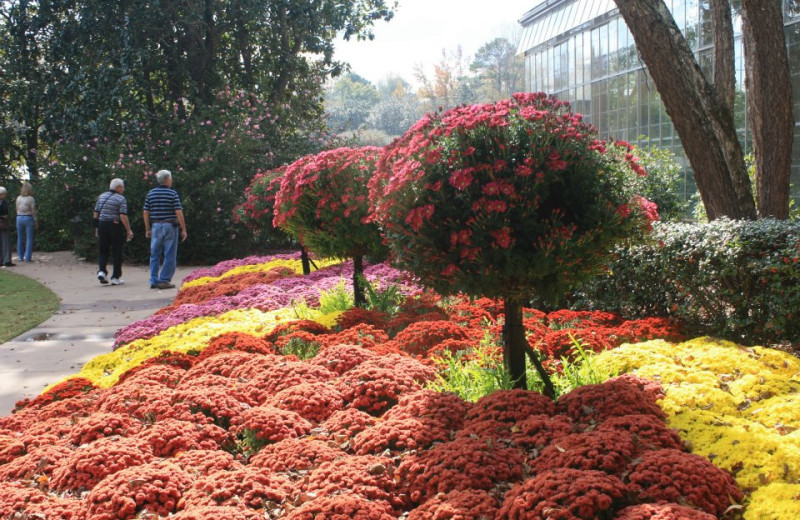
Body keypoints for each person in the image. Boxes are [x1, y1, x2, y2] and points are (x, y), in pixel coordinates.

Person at [143, 169, 187, 289]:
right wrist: (184, 229)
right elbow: (178, 211)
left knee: (155, 254)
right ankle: (164, 280)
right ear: (167, 179)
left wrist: (147, 228)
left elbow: (146, 212)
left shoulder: (151, 193)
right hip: (170, 226)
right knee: (170, 254)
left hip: (156, 225)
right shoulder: (172, 194)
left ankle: (153, 280)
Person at [94, 178, 134, 285]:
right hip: (114, 225)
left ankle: (102, 271)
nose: (124, 189)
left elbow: (96, 213)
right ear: (118, 187)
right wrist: (128, 230)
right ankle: (115, 277)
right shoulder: (121, 199)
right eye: (123, 187)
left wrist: (96, 227)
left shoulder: (101, 196)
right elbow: (123, 216)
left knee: (103, 250)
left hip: (102, 224)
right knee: (117, 251)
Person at [15, 182, 36, 263]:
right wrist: (35, 220)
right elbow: (33, 211)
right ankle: (27, 257)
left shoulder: (18, 198)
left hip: (19, 217)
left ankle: (20, 256)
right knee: (29, 238)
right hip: (28, 217)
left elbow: (17, 209)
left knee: (20, 237)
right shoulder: (31, 199)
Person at [0, 187, 13, 267]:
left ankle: (6, 260)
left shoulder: (4, 202)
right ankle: (4, 260)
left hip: (3, 223)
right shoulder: (3, 203)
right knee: (4, 241)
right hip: (2, 222)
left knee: (5, 241)